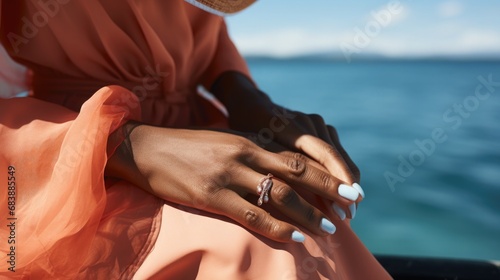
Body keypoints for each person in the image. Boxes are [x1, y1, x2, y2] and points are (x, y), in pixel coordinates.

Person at [0, 0, 391, 279]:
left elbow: (206, 33)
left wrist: (246, 97)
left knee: (304, 214)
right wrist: (127, 145)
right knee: (251, 250)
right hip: (68, 149)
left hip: (202, 133)